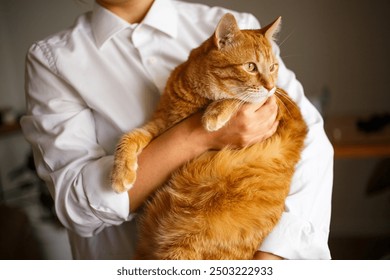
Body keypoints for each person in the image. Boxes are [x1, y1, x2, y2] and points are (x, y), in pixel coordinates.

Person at [21, 0, 333, 260]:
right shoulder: (52, 59)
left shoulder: (236, 25)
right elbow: (78, 207)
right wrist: (199, 135)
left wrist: (273, 258)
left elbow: (314, 147)